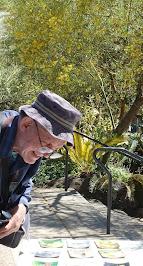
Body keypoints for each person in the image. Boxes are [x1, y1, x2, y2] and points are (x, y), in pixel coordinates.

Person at [0, 90, 81, 248]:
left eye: (53, 150)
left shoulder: (31, 146)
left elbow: (26, 181)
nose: (45, 155)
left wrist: (22, 207)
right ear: (27, 124)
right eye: (46, 146)